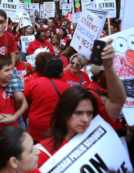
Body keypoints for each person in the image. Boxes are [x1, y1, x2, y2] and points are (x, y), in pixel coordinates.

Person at [37, 39, 126, 167]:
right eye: (78, 113)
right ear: (63, 112)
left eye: (89, 113)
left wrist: (108, 66)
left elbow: (118, 101)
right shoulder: (43, 153)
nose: (85, 119)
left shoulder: (97, 126)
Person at [24, 59, 70, 143]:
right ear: (60, 72)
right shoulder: (67, 87)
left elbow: (21, 97)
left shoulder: (34, 83)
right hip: (54, 127)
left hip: (35, 125)